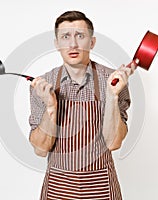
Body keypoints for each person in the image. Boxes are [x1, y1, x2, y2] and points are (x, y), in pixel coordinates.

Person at [28, 10, 136, 200]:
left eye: (80, 36)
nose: (73, 44)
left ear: (92, 42)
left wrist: (111, 96)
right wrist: (51, 108)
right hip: (57, 188)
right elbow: (40, 149)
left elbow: (114, 143)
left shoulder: (114, 82)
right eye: (65, 36)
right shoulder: (44, 84)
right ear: (57, 44)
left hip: (101, 187)